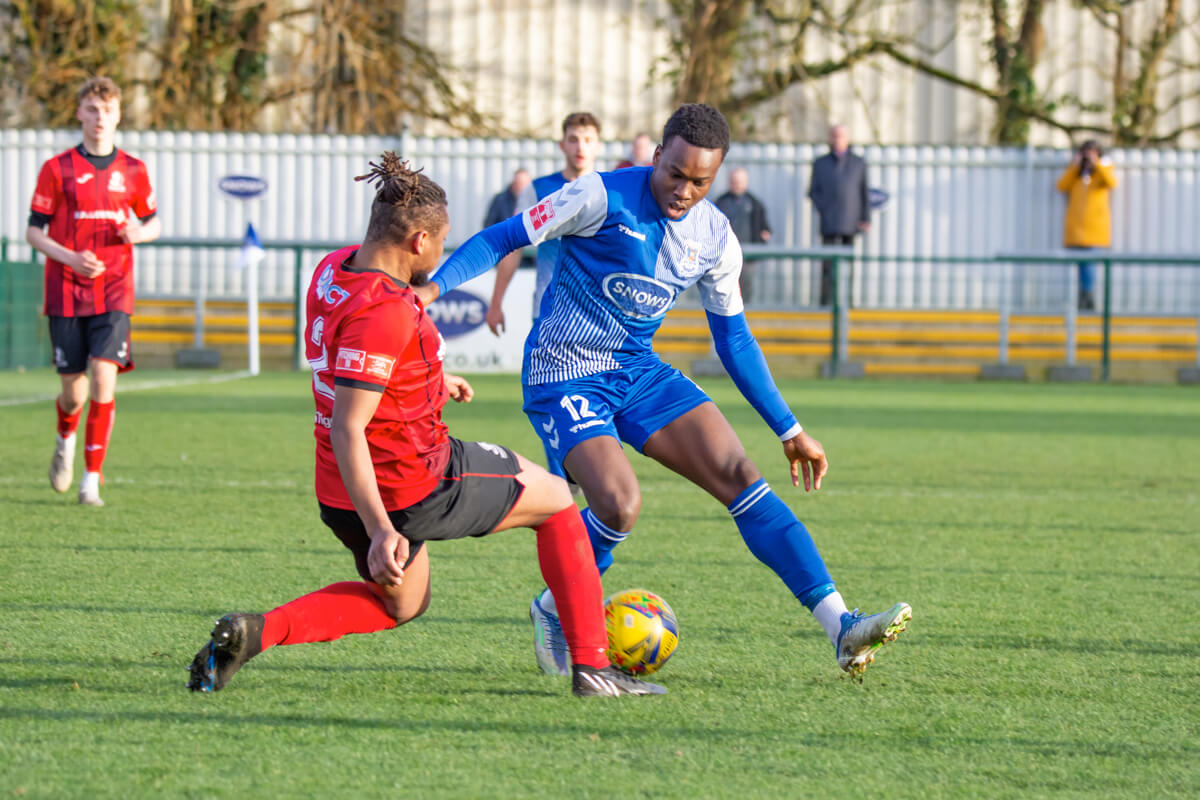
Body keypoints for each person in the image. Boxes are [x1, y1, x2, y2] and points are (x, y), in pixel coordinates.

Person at [420, 104, 911, 680]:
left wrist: (791, 429)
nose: (684, 190)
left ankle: (841, 628)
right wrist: (431, 289)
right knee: (619, 503)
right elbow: (505, 236)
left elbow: (734, 339)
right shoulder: (596, 196)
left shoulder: (716, 237)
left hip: (637, 370)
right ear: (657, 156)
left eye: (700, 181)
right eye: (675, 173)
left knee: (742, 478)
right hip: (564, 371)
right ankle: (560, 610)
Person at [185, 154, 662, 699]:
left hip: (337, 489)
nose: (443, 253)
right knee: (555, 502)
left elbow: (359, 366)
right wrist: (384, 528)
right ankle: (593, 668)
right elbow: (350, 424)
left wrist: (435, 379)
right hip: (411, 482)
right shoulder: (386, 310)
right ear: (417, 242)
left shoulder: (332, 270)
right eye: (441, 242)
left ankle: (254, 634)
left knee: (403, 604)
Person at [25, 76, 161, 507]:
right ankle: (65, 438)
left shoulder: (134, 170)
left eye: (107, 110)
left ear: (118, 114)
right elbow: (33, 232)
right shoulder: (56, 169)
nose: (99, 118)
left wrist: (138, 233)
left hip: (115, 290)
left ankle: (91, 478)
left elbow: (154, 221)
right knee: (74, 392)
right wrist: (69, 258)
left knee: (105, 379)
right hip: (65, 290)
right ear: (79, 113)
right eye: (91, 109)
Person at [485, 112, 602, 338]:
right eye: (573, 139)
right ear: (562, 145)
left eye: (588, 140)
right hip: (549, 310)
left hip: (596, 315)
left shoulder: (611, 191)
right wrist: (496, 303)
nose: (580, 147)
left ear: (598, 146)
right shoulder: (537, 190)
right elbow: (513, 246)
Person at [807, 124, 870, 307]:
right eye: (834, 136)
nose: (837, 140)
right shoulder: (820, 163)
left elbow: (863, 193)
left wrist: (865, 218)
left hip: (850, 224)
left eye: (841, 136)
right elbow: (813, 192)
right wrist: (825, 208)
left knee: (847, 267)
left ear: (847, 139)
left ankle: (846, 304)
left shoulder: (858, 163)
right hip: (829, 223)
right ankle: (825, 303)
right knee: (827, 266)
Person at [1056, 140, 1116, 311]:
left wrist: (1097, 164)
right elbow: (1061, 186)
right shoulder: (1076, 175)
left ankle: (1087, 296)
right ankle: (1081, 298)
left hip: (1095, 231)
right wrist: (1075, 166)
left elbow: (1112, 183)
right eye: (1085, 152)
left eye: (1092, 152)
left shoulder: (1101, 174)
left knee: (1089, 265)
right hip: (1075, 230)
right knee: (1078, 266)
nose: (1088, 156)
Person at [714, 166, 772, 303]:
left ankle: (746, 315)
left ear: (746, 182)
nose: (737, 185)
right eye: (734, 181)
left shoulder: (754, 203)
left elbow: (764, 226)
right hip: (725, 254)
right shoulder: (721, 202)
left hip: (747, 255)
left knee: (746, 286)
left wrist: (764, 235)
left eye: (740, 182)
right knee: (724, 286)